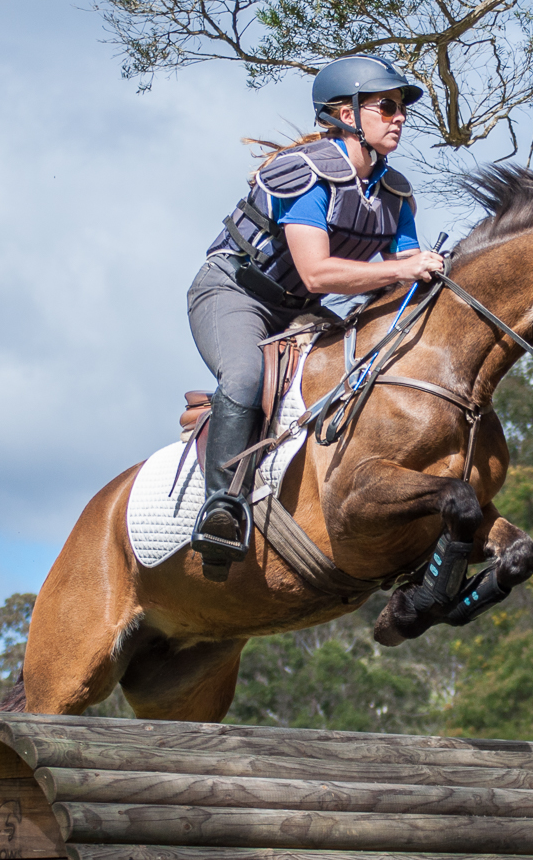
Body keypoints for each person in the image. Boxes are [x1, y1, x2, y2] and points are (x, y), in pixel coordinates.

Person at [187, 55, 447, 579]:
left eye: (402, 110)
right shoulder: (306, 172)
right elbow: (316, 273)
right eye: (387, 106)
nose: (399, 118)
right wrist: (406, 268)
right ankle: (221, 508)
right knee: (245, 374)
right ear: (345, 114)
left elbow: (399, 274)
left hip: (299, 309)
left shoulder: (393, 191)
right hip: (235, 294)